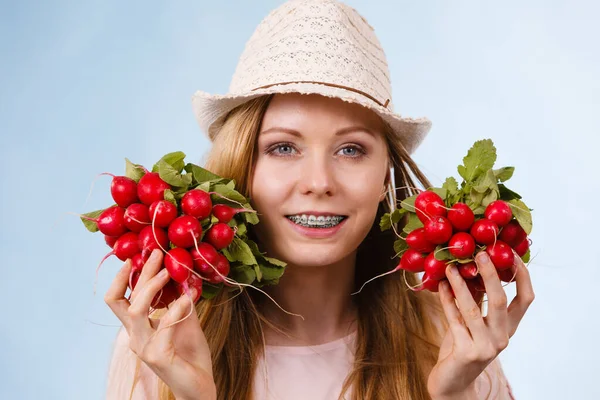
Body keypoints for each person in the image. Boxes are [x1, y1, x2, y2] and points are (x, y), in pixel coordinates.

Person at [105, 1, 534, 399]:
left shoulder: (452, 340)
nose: (318, 182)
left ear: (385, 177)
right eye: (283, 148)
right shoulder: (158, 347)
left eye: (350, 150)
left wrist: (453, 394)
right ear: (240, 167)